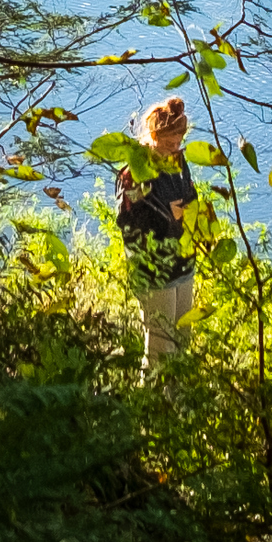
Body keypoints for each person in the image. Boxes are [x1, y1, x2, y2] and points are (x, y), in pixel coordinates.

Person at [113, 95, 201, 366]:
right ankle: (151, 402)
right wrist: (169, 218)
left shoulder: (178, 163)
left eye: (178, 143)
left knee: (182, 340)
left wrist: (191, 213)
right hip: (153, 269)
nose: (175, 150)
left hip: (182, 262)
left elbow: (190, 195)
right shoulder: (134, 173)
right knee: (160, 348)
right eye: (168, 144)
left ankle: (177, 403)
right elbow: (128, 222)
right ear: (153, 135)